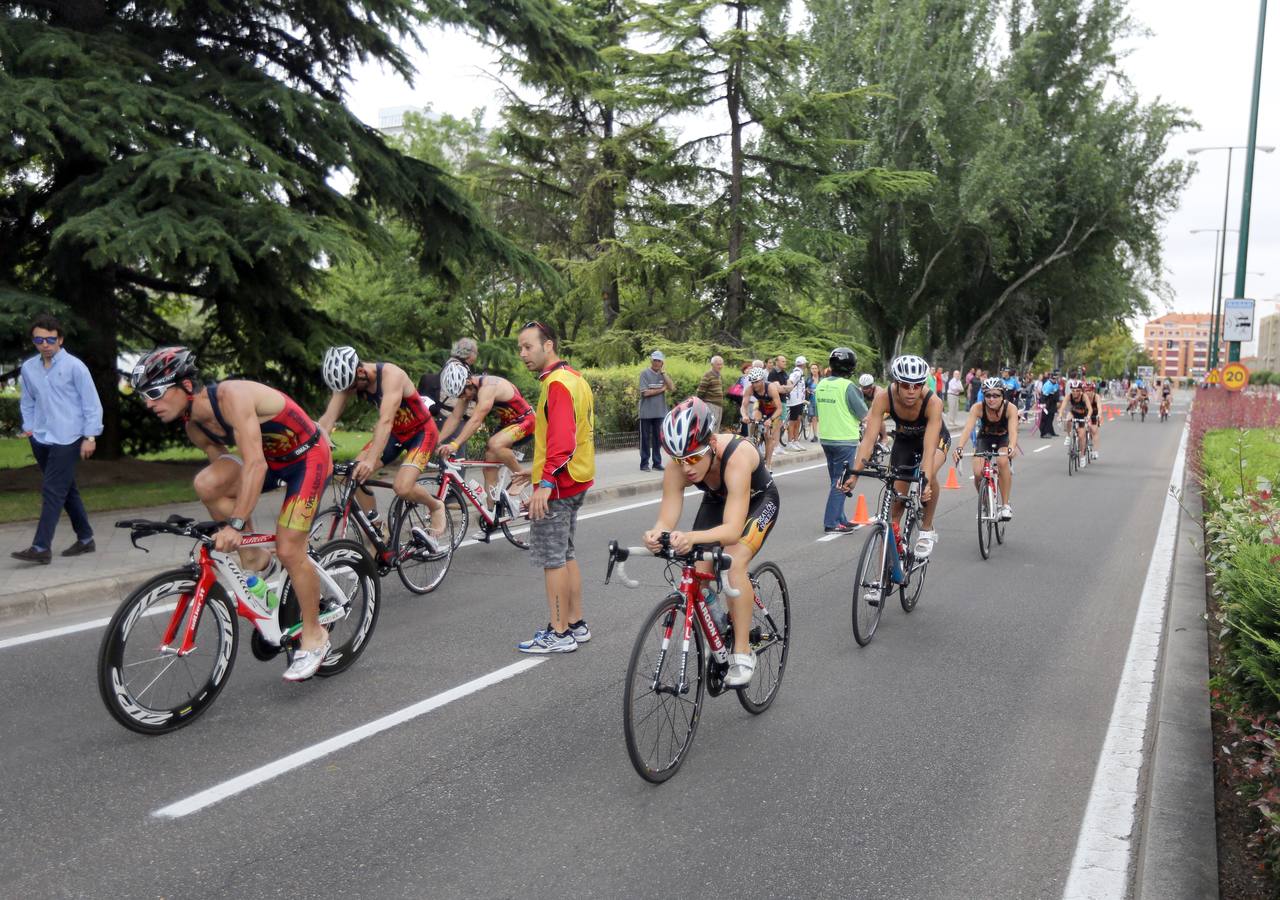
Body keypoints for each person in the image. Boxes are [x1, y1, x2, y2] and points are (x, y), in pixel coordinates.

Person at [131, 347, 332, 681]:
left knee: (289, 547)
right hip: (274, 463)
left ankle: (315, 635)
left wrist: (236, 525)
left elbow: (254, 463)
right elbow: (229, 473)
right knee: (207, 483)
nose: (149, 403)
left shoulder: (232, 396)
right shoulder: (196, 427)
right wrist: (234, 529)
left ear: (185, 385)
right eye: (144, 396)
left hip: (307, 457)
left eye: (154, 393)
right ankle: (257, 561)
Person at [646, 397, 780, 687]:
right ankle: (719, 627)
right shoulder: (680, 465)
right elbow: (666, 516)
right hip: (718, 501)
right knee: (698, 569)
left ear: (712, 445)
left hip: (758, 502)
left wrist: (692, 537)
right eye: (679, 459)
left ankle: (742, 650)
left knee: (733, 564)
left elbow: (732, 531)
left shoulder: (737, 456)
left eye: (694, 458)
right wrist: (657, 534)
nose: (687, 468)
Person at [514, 321, 595, 654]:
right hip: (577, 479)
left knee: (553, 560)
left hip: (560, 485)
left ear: (548, 346)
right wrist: (531, 472)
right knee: (566, 554)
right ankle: (576, 624)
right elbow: (568, 435)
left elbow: (562, 441)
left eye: (528, 347)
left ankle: (559, 633)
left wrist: (544, 484)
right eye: (520, 348)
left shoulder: (558, 385)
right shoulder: (575, 379)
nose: (522, 354)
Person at [316, 346, 445, 540]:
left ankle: (436, 506)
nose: (349, 391)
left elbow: (386, 420)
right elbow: (327, 419)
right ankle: (378, 528)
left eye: (351, 386)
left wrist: (370, 460)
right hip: (396, 434)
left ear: (360, 371)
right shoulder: (349, 382)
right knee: (353, 474)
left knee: (402, 488)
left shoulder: (391, 375)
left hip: (422, 432)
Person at [12, 313, 102, 564]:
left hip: (69, 437)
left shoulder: (75, 366)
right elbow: (28, 400)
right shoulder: (30, 368)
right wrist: (29, 428)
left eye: (50, 339)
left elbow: (91, 404)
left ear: (60, 339)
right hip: (40, 437)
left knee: (52, 490)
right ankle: (85, 539)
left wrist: (90, 436)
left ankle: (41, 547)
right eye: (39, 340)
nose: (45, 345)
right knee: (66, 490)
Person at [843, 355, 949, 558]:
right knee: (895, 509)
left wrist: (924, 481)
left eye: (917, 386)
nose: (911, 391)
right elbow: (869, 439)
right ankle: (885, 573)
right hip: (905, 439)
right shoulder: (883, 397)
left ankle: (927, 529)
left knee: (928, 475)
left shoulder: (932, 402)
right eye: (906, 385)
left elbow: (929, 447)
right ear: (896, 383)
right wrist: (855, 474)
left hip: (933, 440)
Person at [435, 360, 535, 517]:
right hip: (507, 425)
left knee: (495, 444)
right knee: (489, 466)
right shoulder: (467, 390)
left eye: (463, 392)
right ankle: (492, 512)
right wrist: (436, 440)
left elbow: (476, 419)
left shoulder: (488, 386)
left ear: (469, 382)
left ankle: (523, 477)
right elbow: (455, 417)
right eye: (459, 395)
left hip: (526, 421)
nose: (463, 397)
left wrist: (455, 444)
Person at [815, 348, 869, 533]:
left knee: (835, 479)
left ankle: (841, 518)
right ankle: (831, 522)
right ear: (850, 367)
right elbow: (863, 413)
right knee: (841, 481)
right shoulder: (848, 387)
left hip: (827, 438)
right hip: (845, 439)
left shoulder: (821, 384)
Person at [955, 376, 1019, 520]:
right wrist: (959, 447)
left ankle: (1005, 505)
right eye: (988, 395)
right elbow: (967, 429)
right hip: (984, 438)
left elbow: (1014, 431)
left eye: (996, 395)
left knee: (1002, 462)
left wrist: (1011, 447)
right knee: (978, 473)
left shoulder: (1010, 408)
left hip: (1003, 439)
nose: (991, 399)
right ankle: (985, 503)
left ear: (1003, 395)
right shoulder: (978, 408)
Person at [739, 366, 785, 469]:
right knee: (755, 416)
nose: (754, 385)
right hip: (761, 405)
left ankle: (768, 464)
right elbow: (743, 406)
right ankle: (753, 437)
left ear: (762, 380)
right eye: (752, 382)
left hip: (773, 410)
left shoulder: (771, 388)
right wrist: (745, 416)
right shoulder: (749, 389)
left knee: (768, 435)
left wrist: (770, 420)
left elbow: (779, 409)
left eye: (757, 382)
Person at [638, 350, 674, 472]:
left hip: (660, 413)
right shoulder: (644, 373)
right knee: (645, 440)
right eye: (655, 360)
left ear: (662, 362)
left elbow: (672, 388)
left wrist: (664, 374)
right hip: (646, 413)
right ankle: (644, 464)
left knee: (658, 439)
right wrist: (661, 389)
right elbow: (645, 393)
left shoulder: (663, 375)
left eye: (659, 360)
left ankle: (657, 463)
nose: (657, 362)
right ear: (651, 360)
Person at [1058, 379, 1095, 461]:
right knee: (1068, 419)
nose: (1075, 392)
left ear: (1081, 390)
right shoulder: (1069, 396)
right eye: (1073, 390)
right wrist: (1060, 415)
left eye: (1077, 390)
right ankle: (1068, 436)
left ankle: (1082, 456)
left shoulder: (1084, 396)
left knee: (1081, 436)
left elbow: (1090, 409)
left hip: (1083, 415)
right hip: (1073, 412)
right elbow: (1062, 407)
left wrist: (1088, 416)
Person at [695, 355, 726, 432]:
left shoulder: (719, 375)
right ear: (712, 365)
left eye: (721, 364)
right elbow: (700, 392)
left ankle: (713, 444)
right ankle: (707, 444)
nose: (720, 366)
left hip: (718, 406)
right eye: (718, 364)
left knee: (716, 430)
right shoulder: (708, 375)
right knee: (710, 429)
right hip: (710, 405)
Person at [784, 355, 808, 450]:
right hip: (794, 401)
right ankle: (790, 442)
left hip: (799, 401)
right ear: (803, 364)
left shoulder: (800, 373)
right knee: (793, 422)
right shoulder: (797, 373)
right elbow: (790, 381)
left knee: (798, 420)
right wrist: (789, 391)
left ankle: (795, 440)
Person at [1039, 371, 1060, 437]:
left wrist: (1058, 401)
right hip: (1046, 401)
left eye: (1056, 379)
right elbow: (1043, 396)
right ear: (1050, 378)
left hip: (1053, 402)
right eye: (1053, 379)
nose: (1055, 380)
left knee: (1051, 417)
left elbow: (1056, 392)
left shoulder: (1056, 384)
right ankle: (1043, 433)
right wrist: (1043, 404)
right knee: (1045, 418)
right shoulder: (1048, 385)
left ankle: (1050, 431)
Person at [806, 362, 822, 441]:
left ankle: (824, 434)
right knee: (814, 418)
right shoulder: (809, 380)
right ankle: (815, 435)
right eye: (812, 368)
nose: (814, 370)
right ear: (810, 370)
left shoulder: (822, 379)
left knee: (822, 418)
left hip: (822, 401)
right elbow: (805, 389)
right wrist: (808, 391)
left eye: (815, 368)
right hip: (812, 401)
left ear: (818, 369)